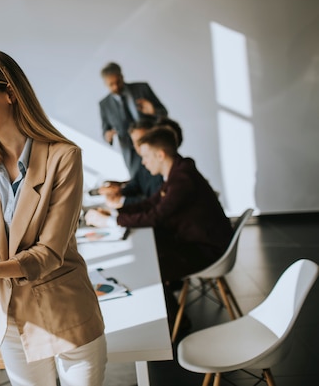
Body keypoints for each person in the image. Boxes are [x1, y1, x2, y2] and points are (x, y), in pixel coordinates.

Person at [0, 50, 107, 386]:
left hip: (65, 311)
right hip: (7, 315)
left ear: (9, 92)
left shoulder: (63, 157)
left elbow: (49, 253)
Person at [85, 125, 232, 327]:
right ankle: (167, 316)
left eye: (146, 156)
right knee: (148, 254)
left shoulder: (182, 178)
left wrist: (111, 221)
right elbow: (152, 203)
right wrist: (115, 213)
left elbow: (156, 216)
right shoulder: (178, 171)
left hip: (207, 250)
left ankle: (174, 324)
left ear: (160, 155)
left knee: (149, 265)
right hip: (195, 240)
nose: (143, 163)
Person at [99, 62, 167, 177]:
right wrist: (108, 136)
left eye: (118, 82)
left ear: (122, 76)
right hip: (131, 154)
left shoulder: (142, 88)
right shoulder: (104, 105)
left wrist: (153, 111)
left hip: (154, 144)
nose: (116, 87)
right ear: (105, 84)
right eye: (111, 84)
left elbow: (164, 113)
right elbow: (105, 131)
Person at [98, 117, 183, 208]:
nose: (139, 146)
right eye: (135, 142)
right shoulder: (143, 164)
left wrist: (121, 201)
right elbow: (136, 184)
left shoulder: (165, 170)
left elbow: (154, 205)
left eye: (142, 140)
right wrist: (118, 193)